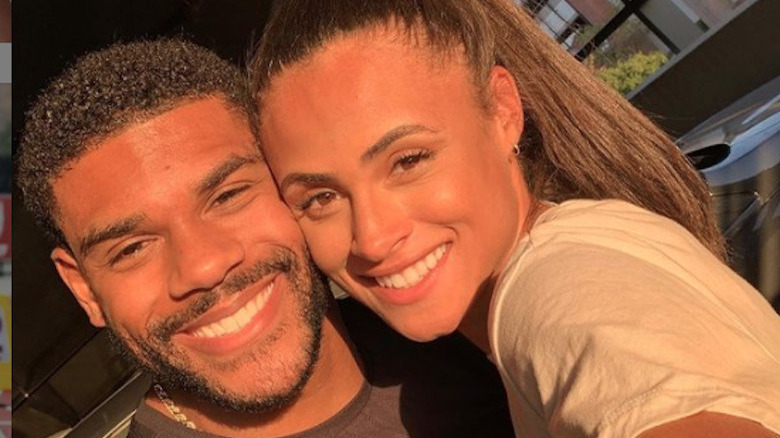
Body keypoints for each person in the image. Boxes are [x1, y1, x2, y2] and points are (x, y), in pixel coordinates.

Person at [249, 0, 780, 436]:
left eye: (408, 161)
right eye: (320, 198)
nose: (373, 236)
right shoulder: (588, 233)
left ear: (503, 110)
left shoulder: (552, 292)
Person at [17, 38, 515, 437]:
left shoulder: (467, 325)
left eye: (228, 196)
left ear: (288, 181)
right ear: (83, 288)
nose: (204, 266)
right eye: (131, 248)